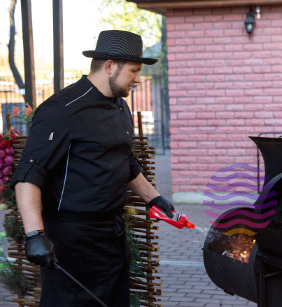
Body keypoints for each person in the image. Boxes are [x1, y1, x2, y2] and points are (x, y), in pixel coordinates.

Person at [10, 30, 175, 307]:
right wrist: (35, 235)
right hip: (71, 240)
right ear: (109, 66)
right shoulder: (62, 109)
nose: (138, 78)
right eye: (134, 71)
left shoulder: (121, 108)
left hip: (112, 235)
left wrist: (154, 198)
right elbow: (28, 175)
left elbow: (126, 162)